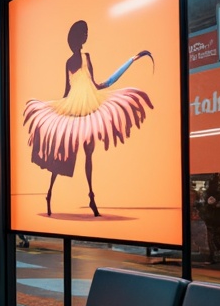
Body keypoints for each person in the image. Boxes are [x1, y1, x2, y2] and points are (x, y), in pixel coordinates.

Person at [23, 20, 154, 217]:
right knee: (69, 154)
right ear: (78, 37)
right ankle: (58, 193)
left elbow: (91, 85)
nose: (86, 35)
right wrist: (57, 112)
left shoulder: (81, 58)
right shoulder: (77, 59)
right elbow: (75, 89)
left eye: (86, 32)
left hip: (87, 107)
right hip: (77, 109)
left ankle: (85, 196)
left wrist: (131, 60)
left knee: (84, 153)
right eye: (84, 33)